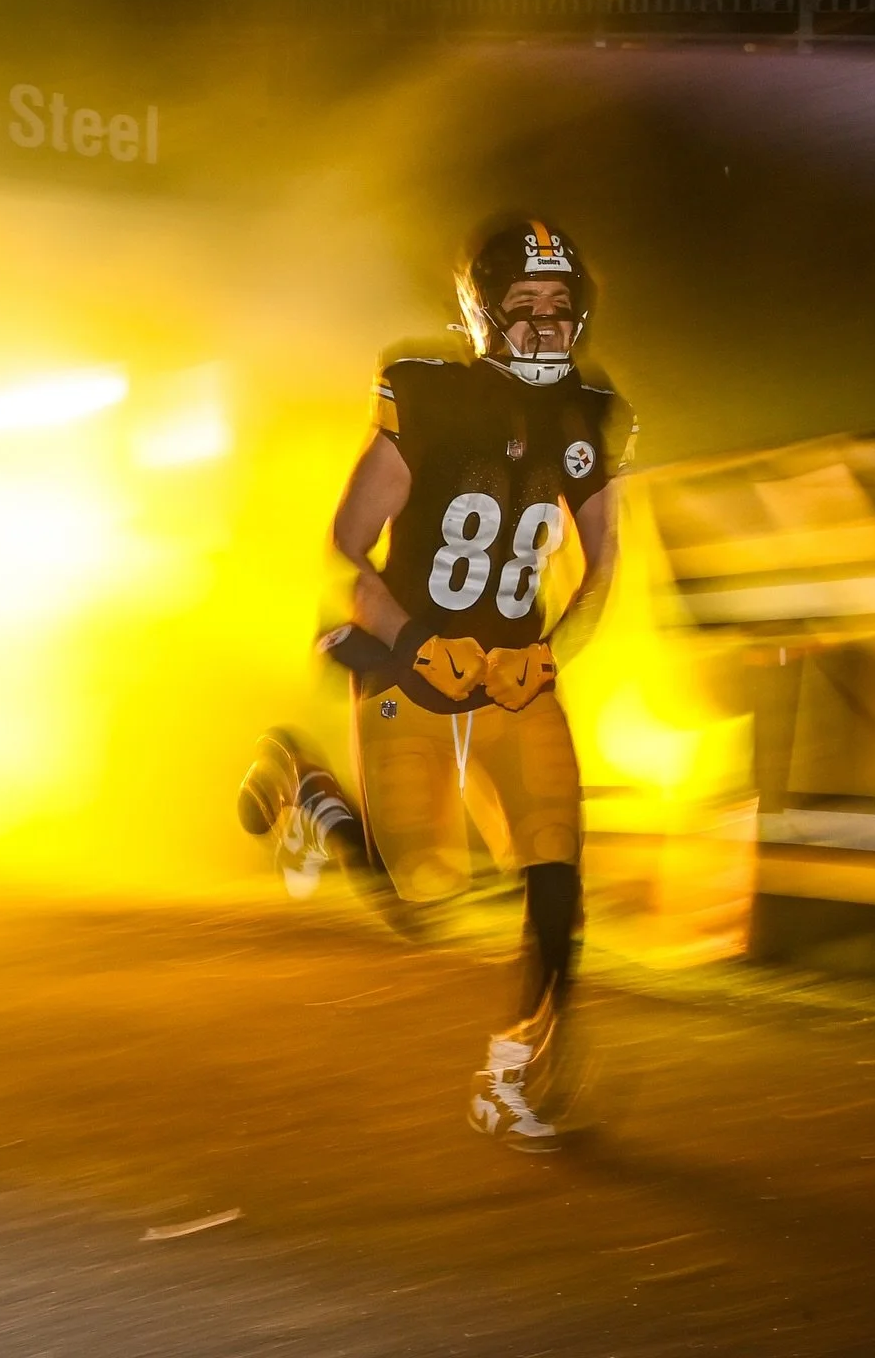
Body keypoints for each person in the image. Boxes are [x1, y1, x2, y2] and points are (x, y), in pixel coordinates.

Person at [238, 217, 636, 1151]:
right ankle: (310, 784)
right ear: (483, 315)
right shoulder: (425, 396)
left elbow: (601, 564)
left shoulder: (589, 409)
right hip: (411, 673)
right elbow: (344, 549)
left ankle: (515, 1073)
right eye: (524, 307)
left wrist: (552, 653)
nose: (544, 326)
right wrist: (413, 642)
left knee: (557, 875)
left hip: (511, 678)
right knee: (421, 896)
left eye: (559, 308)